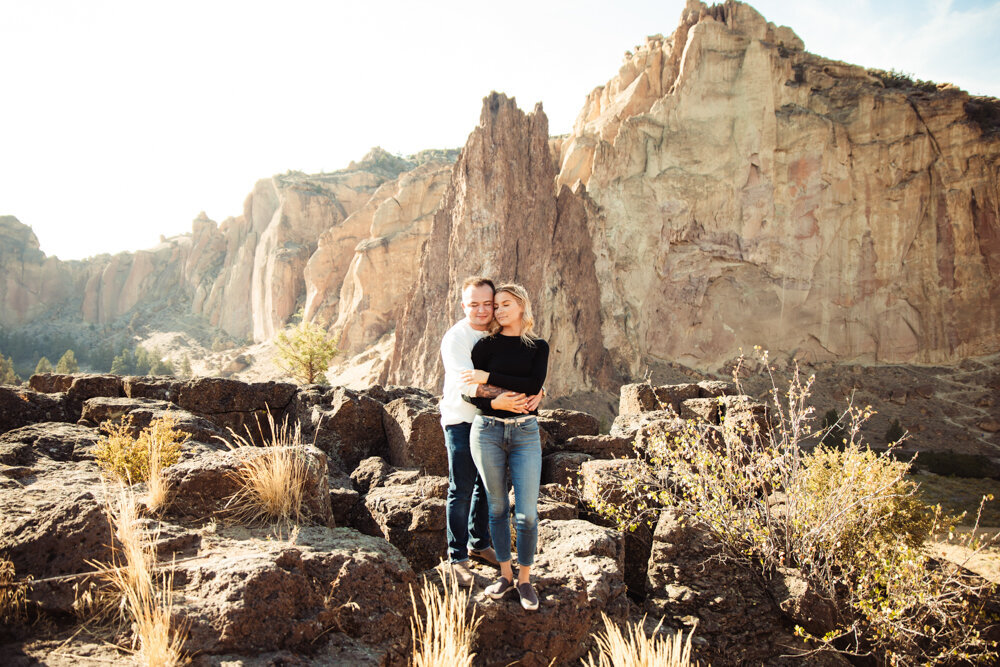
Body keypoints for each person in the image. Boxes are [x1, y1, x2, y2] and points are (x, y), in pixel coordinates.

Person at [461, 283, 549, 611]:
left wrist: (489, 377)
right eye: (496, 306)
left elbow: (532, 385)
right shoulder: (485, 345)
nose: (498, 311)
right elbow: (470, 390)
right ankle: (506, 574)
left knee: (526, 514)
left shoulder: (538, 347)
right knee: (497, 509)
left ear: (522, 307)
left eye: (505, 304)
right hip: (487, 432)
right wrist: (484, 382)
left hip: (525, 433)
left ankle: (526, 580)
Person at [438, 276, 503, 586]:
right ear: (463, 305)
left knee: (489, 485)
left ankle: (480, 544)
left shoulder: (500, 333)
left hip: (492, 421)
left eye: (486, 304)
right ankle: (457, 557)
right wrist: (508, 394)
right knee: (461, 487)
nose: (481, 310)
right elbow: (467, 384)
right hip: (461, 420)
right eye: (473, 304)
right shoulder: (456, 338)